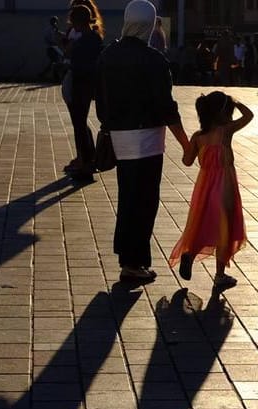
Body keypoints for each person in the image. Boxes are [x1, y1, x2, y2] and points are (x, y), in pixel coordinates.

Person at [96, 0, 188, 286]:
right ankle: (134, 263)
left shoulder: (108, 54)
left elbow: (100, 99)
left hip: (120, 139)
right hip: (147, 140)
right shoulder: (154, 59)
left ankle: (127, 259)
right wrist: (186, 144)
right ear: (149, 25)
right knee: (145, 201)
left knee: (128, 199)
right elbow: (166, 107)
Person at [171, 90, 251, 289]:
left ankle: (190, 253)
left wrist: (191, 147)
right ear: (224, 112)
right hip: (225, 186)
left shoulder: (199, 137)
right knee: (225, 228)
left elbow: (187, 161)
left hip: (204, 187)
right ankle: (219, 275)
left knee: (203, 223)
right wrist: (235, 101)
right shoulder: (226, 131)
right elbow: (249, 116)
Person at [62, 3, 101, 177]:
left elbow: (73, 59)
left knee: (79, 124)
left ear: (77, 21)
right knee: (81, 123)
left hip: (80, 83)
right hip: (88, 84)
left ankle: (85, 164)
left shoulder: (82, 41)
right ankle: (87, 160)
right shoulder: (95, 37)